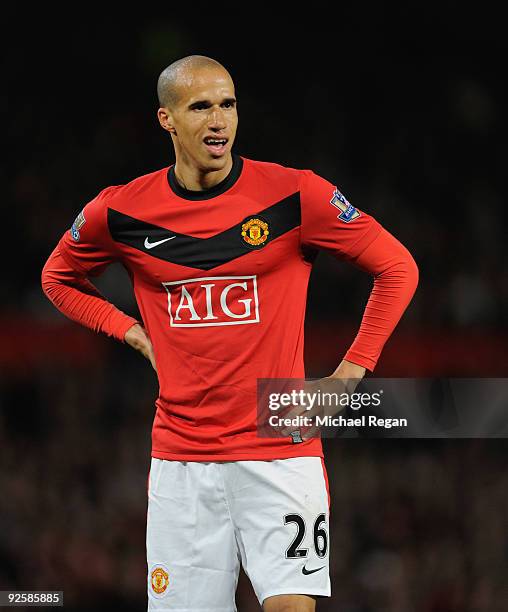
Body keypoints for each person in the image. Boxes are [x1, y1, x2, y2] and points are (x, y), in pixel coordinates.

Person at [41, 55, 418, 612]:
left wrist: (347, 375)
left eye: (228, 104)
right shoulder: (119, 210)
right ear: (167, 120)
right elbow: (58, 278)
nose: (219, 120)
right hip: (181, 457)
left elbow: (398, 267)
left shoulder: (296, 195)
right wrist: (128, 331)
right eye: (201, 107)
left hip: (280, 445)